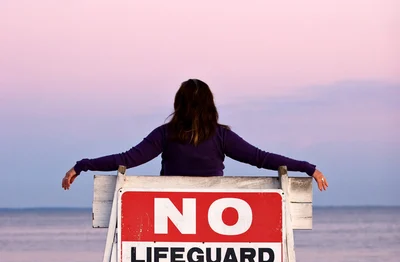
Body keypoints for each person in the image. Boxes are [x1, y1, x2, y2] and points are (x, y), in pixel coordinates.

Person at [62, 79, 328, 191]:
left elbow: (127, 159)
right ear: (210, 105)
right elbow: (262, 158)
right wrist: (307, 168)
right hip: (211, 224)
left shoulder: (165, 134)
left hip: (168, 216)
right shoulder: (222, 137)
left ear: (178, 105)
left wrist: (82, 166)